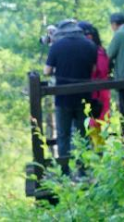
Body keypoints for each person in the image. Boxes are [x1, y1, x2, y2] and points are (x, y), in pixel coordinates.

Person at [43, 19, 97, 174]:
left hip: (63, 97)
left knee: (63, 135)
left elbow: (47, 71)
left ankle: (64, 171)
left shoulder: (57, 47)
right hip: (84, 96)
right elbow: (93, 69)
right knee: (82, 134)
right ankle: (83, 170)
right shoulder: (89, 45)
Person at [78, 21, 110, 124]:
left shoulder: (98, 52)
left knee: (98, 124)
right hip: (95, 92)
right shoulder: (99, 50)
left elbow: (101, 70)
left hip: (98, 93)